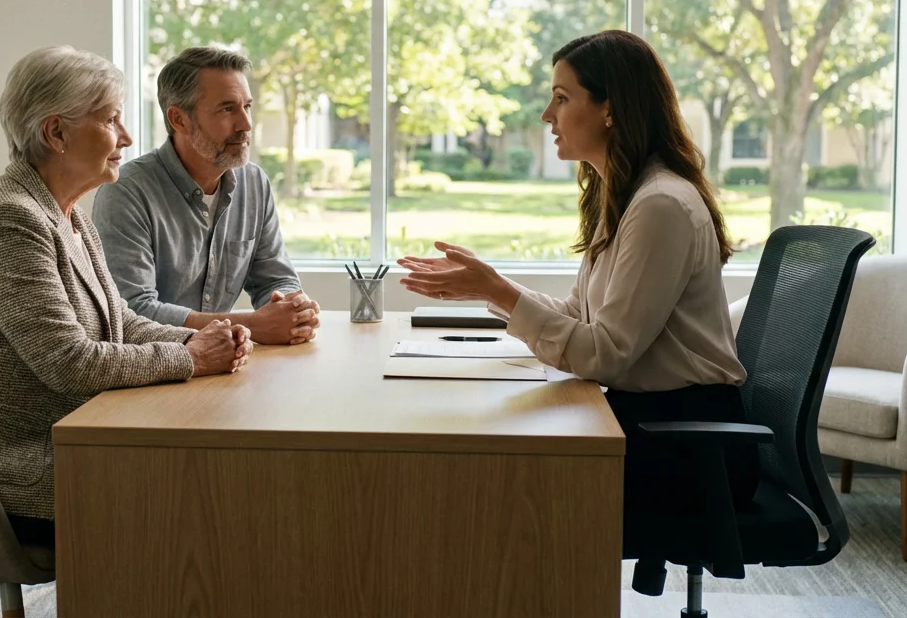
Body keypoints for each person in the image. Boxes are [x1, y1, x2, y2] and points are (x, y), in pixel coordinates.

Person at [0, 45, 252, 546]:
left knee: (203, 482)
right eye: (112, 120)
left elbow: (120, 320)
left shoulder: (66, 212)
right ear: (56, 132)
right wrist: (190, 357)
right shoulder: (11, 219)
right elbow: (69, 362)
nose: (128, 138)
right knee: (185, 493)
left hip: (46, 439)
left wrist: (207, 338)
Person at [397, 29, 758, 511]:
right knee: (483, 454)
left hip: (688, 447)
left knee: (486, 479)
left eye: (562, 98)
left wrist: (502, 294)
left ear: (611, 108)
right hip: (652, 423)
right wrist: (489, 286)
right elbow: (581, 315)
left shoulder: (660, 206)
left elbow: (604, 354)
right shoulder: (627, 196)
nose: (548, 115)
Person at [94, 46, 321, 345]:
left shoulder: (254, 183)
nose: (246, 125)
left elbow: (275, 278)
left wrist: (293, 308)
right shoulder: (125, 191)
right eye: (227, 109)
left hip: (222, 365)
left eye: (247, 107)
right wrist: (252, 325)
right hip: (153, 372)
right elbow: (133, 312)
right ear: (179, 119)